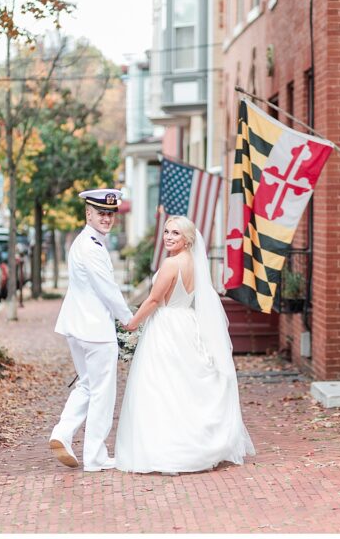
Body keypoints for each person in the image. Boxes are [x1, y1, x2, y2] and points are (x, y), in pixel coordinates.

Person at [115, 215, 255, 474]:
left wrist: (131, 323)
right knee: (186, 384)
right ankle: (199, 443)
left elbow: (155, 300)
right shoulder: (194, 263)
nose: (168, 236)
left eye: (175, 233)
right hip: (188, 324)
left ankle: (170, 448)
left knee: (162, 385)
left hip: (167, 325)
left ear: (187, 238)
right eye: (167, 232)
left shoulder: (171, 264)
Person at [48, 188, 131, 472]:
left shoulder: (82, 241)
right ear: (88, 213)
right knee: (102, 393)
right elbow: (107, 290)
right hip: (95, 330)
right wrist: (128, 319)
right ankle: (95, 456)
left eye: (110, 214)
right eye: (101, 213)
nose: (107, 218)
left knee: (86, 384)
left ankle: (61, 433)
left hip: (76, 327)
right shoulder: (91, 248)